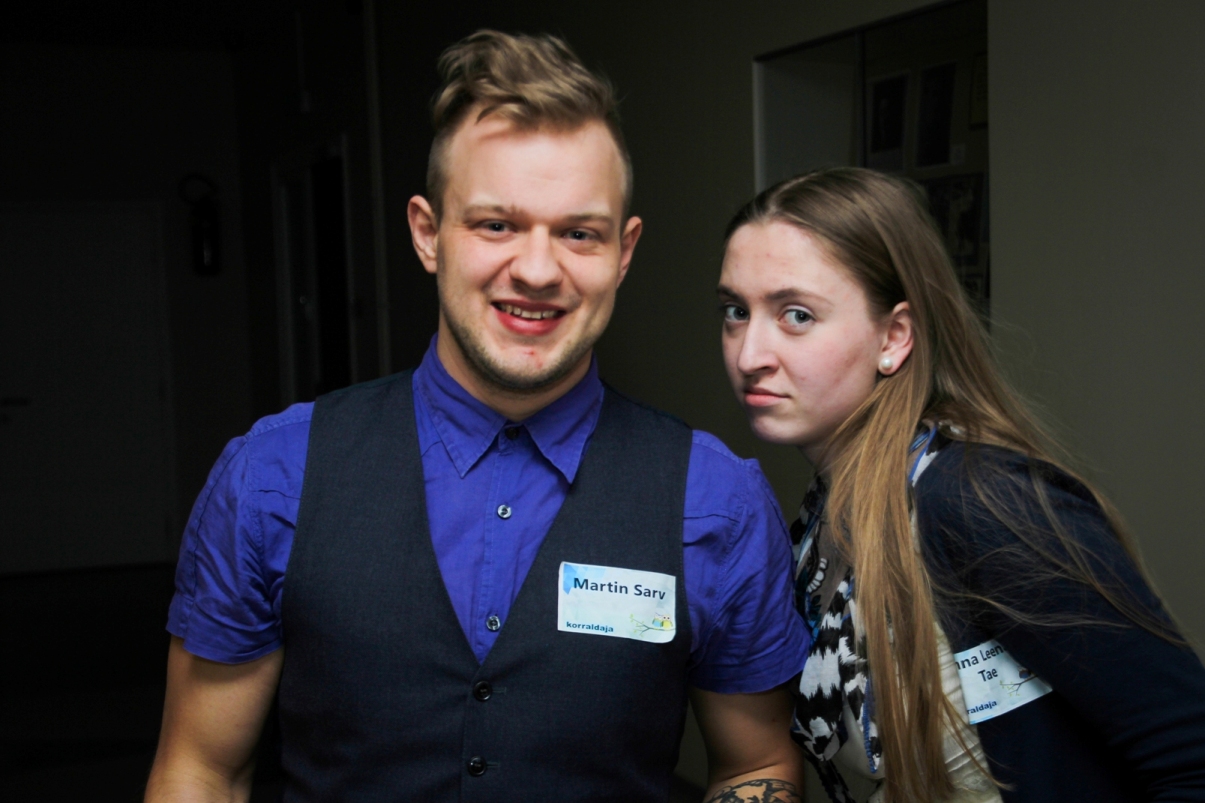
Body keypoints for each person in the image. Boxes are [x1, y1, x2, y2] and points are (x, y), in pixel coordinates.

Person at [145, 30, 810, 803]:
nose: (536, 269)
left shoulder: (716, 500)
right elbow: (201, 768)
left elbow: (755, 763)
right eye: (496, 224)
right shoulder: (272, 476)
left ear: (623, 251)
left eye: (578, 233)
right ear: (427, 233)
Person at [717, 167, 1205, 802]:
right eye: (736, 311)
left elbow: (1188, 756)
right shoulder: (827, 516)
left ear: (894, 337)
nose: (749, 353)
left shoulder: (979, 501)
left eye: (797, 315)